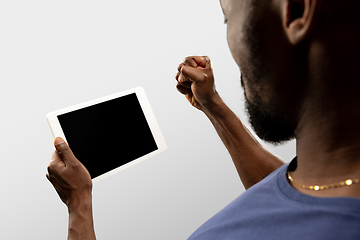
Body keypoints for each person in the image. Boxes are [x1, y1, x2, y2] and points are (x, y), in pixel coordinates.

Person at [47, 0, 360, 239]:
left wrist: (79, 206)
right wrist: (212, 105)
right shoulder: (331, 184)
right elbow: (296, 196)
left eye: (228, 16)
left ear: (294, 10)